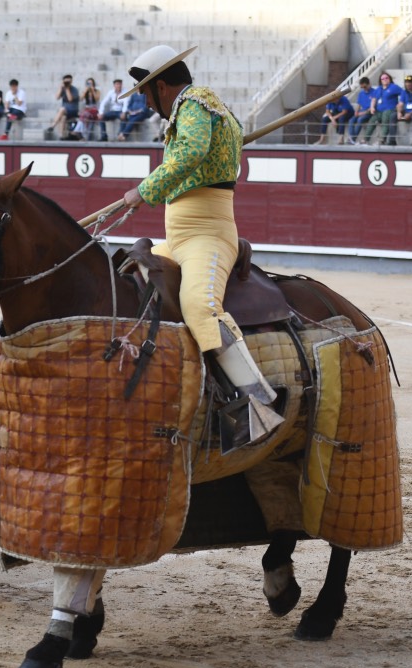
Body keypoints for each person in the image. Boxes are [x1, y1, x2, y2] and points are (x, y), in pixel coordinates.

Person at [120, 44, 283, 445]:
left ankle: (258, 404)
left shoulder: (194, 103)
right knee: (127, 275)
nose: (143, 99)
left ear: (161, 86)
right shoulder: (206, 108)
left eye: (144, 90)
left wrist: (145, 189)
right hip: (179, 238)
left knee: (199, 306)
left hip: (206, 236)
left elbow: (191, 151)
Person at [362, 72, 401, 146]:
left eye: (386, 78)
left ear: (389, 79)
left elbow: (403, 95)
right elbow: (374, 99)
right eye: (382, 78)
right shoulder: (378, 89)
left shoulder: (394, 87)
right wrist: (372, 107)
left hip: (390, 109)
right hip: (379, 110)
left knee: (385, 119)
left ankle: (382, 140)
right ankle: (365, 139)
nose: (385, 80)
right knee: (372, 120)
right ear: (380, 80)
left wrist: (399, 106)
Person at [347, 77, 373, 145]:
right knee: (351, 120)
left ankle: (353, 139)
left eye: (364, 87)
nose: (364, 88)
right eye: (362, 87)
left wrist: (361, 113)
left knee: (360, 120)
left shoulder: (374, 92)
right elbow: (359, 104)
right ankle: (352, 138)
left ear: (368, 84)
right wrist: (356, 112)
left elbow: (371, 108)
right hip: (361, 111)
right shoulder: (361, 93)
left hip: (369, 113)